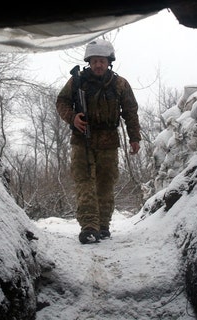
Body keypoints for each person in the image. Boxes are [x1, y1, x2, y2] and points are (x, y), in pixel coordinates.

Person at [56, 39, 142, 244]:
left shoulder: (120, 84)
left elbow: (131, 112)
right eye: (94, 61)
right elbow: (62, 101)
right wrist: (73, 117)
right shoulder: (77, 81)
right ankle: (89, 226)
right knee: (84, 183)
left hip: (109, 141)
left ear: (108, 62)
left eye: (102, 61)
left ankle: (103, 225)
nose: (98, 65)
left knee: (105, 184)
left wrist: (135, 138)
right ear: (89, 62)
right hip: (81, 140)